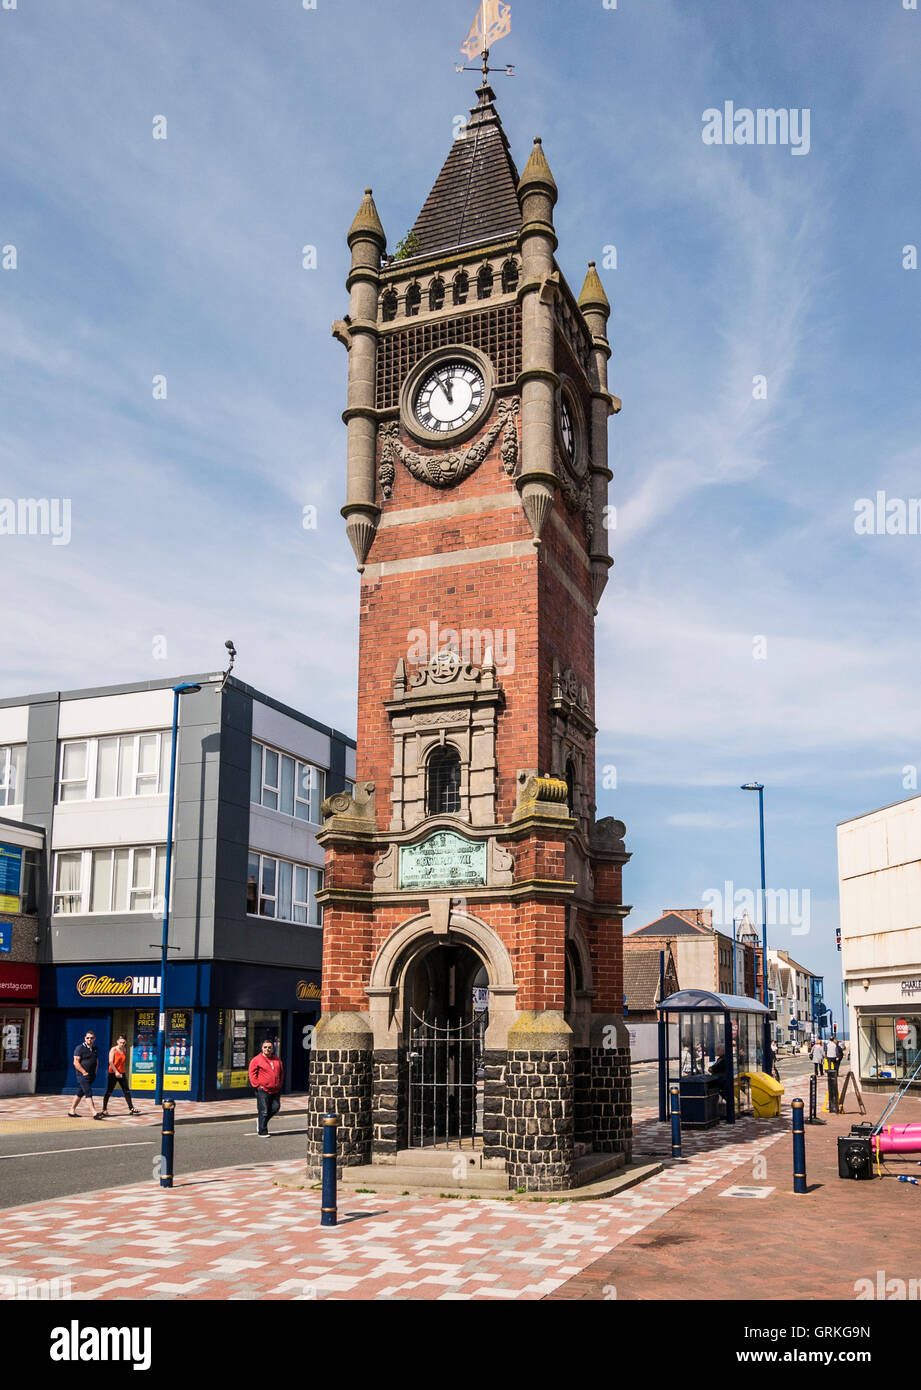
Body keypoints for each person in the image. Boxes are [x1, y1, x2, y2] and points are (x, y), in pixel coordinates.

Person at [248, 1038, 284, 1136]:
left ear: (272, 1049)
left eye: (269, 1047)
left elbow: (281, 1073)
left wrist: (279, 1084)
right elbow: (252, 1074)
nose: (267, 1049)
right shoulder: (256, 1060)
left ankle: (260, 1122)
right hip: (263, 1089)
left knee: (275, 1108)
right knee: (264, 1110)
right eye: (265, 1047)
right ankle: (262, 1131)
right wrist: (258, 1086)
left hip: (275, 1089)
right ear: (262, 1048)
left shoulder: (277, 1059)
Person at [98, 1035, 140, 1117]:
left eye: (124, 1043)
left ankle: (131, 1108)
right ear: (117, 1041)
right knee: (109, 1091)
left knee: (126, 1091)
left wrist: (121, 1072)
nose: (122, 1044)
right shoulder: (113, 1049)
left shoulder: (124, 1049)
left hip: (122, 1073)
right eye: (121, 1042)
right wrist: (116, 1072)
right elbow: (110, 1062)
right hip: (113, 1073)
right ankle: (104, 1109)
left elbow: (122, 1062)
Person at [68, 1031, 99, 1116]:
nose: (90, 1039)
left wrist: (95, 1073)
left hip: (91, 1075)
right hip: (82, 1075)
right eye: (88, 1038)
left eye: (91, 1038)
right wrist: (84, 1072)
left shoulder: (95, 1048)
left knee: (80, 1093)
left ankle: (71, 1110)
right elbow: (75, 1062)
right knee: (88, 1093)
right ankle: (94, 1112)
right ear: (85, 1038)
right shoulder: (80, 1048)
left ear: (94, 1039)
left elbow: (96, 1061)